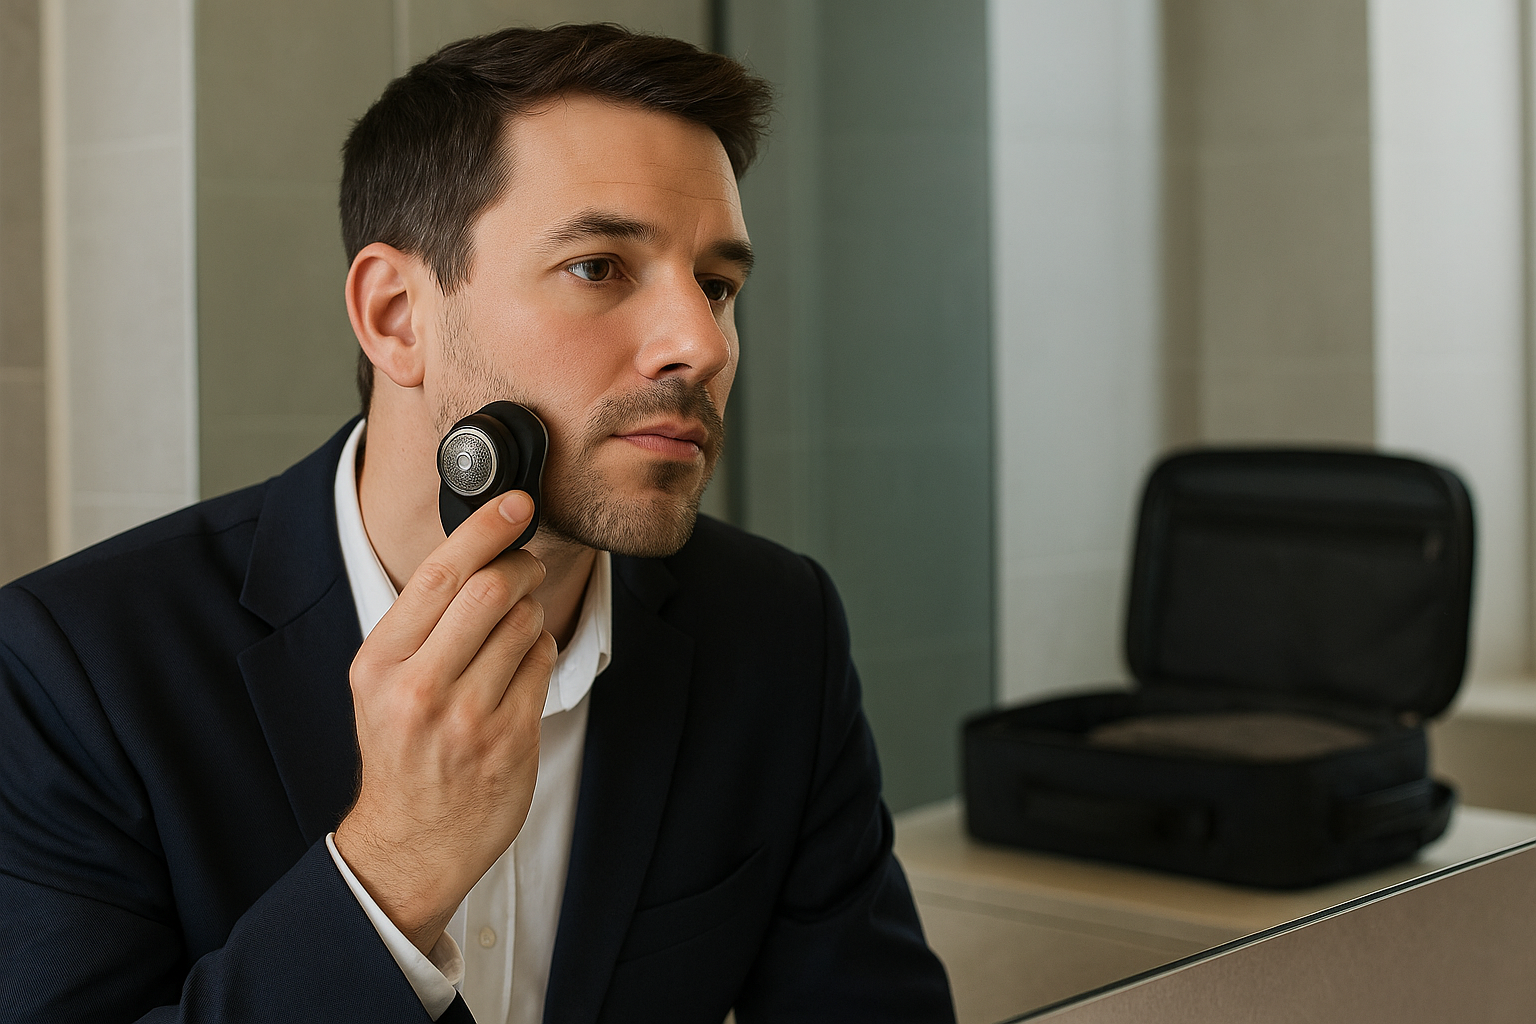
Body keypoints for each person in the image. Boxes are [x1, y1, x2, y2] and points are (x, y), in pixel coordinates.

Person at [0, 24, 955, 1024]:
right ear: (396, 315)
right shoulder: (73, 674)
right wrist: (390, 872)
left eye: (718, 286)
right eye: (600, 267)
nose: (702, 344)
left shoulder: (776, 628)